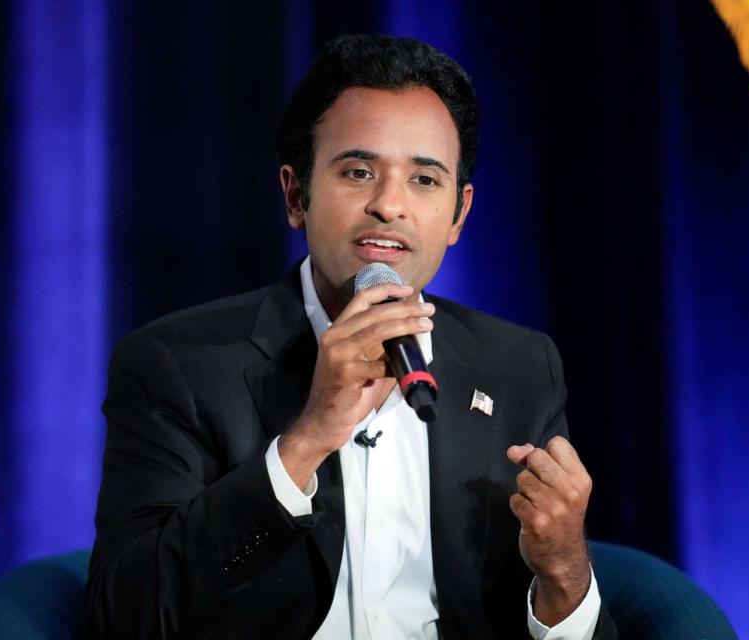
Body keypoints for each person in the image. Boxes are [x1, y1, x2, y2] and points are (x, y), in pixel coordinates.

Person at [86, 34, 617, 639]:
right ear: (296, 194)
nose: (389, 204)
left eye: (424, 179)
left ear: (458, 216)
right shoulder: (177, 365)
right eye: (359, 171)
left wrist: (565, 570)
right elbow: (124, 616)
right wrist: (306, 439)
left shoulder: (519, 366)